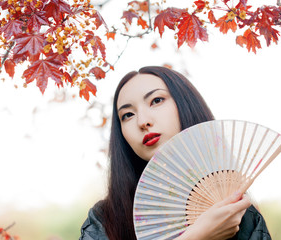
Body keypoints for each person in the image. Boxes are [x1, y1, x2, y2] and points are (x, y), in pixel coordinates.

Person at [80, 66, 271, 240]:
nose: (143, 121)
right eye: (127, 115)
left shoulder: (239, 216)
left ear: (185, 105)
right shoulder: (104, 220)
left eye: (156, 100)